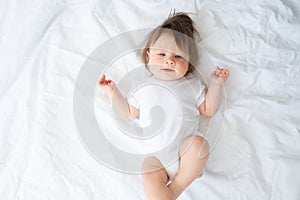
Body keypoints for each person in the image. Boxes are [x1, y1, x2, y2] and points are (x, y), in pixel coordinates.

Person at [98, 12, 229, 200]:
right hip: (156, 159)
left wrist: (216, 84)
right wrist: (112, 92)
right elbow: (127, 113)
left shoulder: (191, 84)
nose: (169, 60)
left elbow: (208, 109)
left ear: (189, 63)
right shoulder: (141, 86)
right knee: (148, 171)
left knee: (200, 145)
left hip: (185, 153)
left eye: (178, 56)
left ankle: (176, 189)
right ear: (148, 56)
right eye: (162, 54)